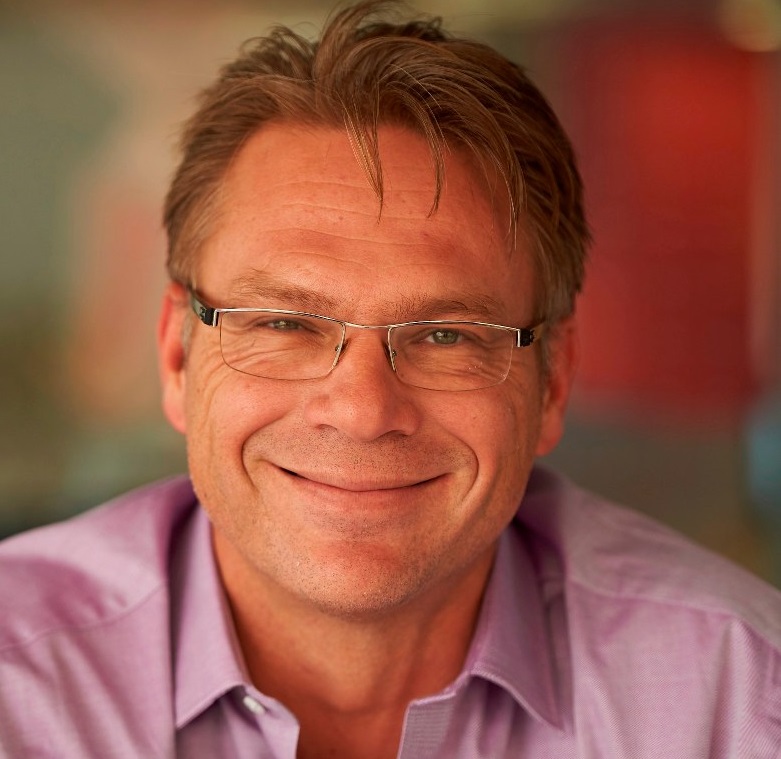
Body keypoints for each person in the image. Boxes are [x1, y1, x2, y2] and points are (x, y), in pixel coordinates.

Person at [2, 1, 780, 756]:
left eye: (446, 335)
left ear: (551, 380)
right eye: (284, 323)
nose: (362, 409)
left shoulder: (741, 695)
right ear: (177, 354)